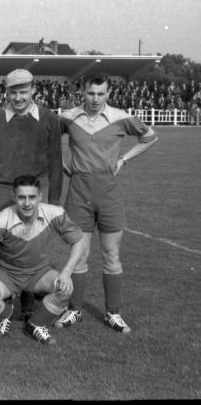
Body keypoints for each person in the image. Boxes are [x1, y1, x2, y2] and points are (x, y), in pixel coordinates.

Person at [55, 72, 158, 333]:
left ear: (108, 93)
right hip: (78, 190)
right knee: (79, 254)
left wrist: (124, 160)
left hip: (109, 191)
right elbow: (47, 139)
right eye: (91, 93)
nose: (95, 99)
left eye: (101, 94)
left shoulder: (120, 117)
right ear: (83, 92)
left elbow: (149, 137)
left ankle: (113, 313)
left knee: (112, 255)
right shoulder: (68, 117)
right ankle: (75, 310)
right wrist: (63, 162)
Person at [0, 68, 63, 321]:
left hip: (35, 194)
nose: (19, 98)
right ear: (7, 93)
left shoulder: (48, 119)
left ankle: (29, 302)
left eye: (23, 92)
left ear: (33, 90)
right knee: (0, 248)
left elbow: (56, 163)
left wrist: (53, 206)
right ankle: (4, 302)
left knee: (31, 244)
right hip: (1, 190)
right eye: (13, 92)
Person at [0, 175, 87, 345]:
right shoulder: (1, 218)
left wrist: (67, 273)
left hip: (38, 273)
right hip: (7, 274)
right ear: (14, 197)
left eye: (32, 197)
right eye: (21, 197)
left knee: (65, 289)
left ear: (39, 196)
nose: (27, 203)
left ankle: (36, 324)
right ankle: (5, 313)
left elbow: (79, 241)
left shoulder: (54, 213)